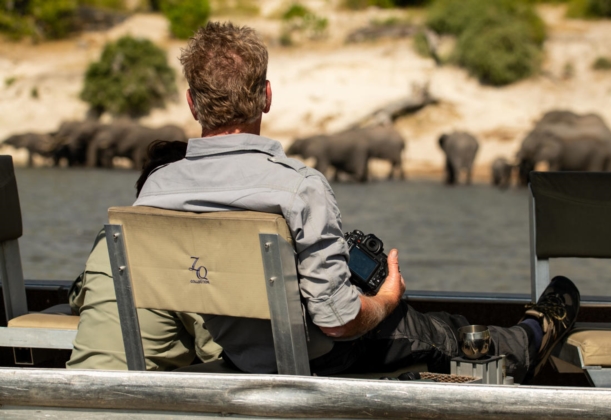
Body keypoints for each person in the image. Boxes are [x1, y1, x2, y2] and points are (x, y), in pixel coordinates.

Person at [134, 22, 580, 382]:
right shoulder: (297, 188)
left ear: (192, 103)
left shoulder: (154, 191)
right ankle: (533, 336)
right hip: (320, 358)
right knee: (443, 330)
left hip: (238, 355)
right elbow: (337, 321)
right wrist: (387, 299)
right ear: (266, 96)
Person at [67, 141, 222, 370]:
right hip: (140, 393)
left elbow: (77, 298)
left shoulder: (110, 235)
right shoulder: (186, 249)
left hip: (78, 382)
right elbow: (215, 347)